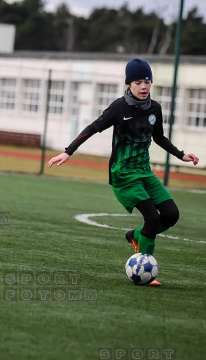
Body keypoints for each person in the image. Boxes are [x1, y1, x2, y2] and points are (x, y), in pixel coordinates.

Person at [47, 58, 199, 286]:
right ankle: (145, 269)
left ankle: (136, 235)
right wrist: (68, 151)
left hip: (144, 172)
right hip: (124, 174)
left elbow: (159, 137)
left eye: (147, 81)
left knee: (171, 215)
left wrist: (181, 155)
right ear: (129, 84)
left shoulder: (155, 108)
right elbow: (92, 128)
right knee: (152, 218)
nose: (144, 86)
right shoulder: (119, 107)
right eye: (138, 82)